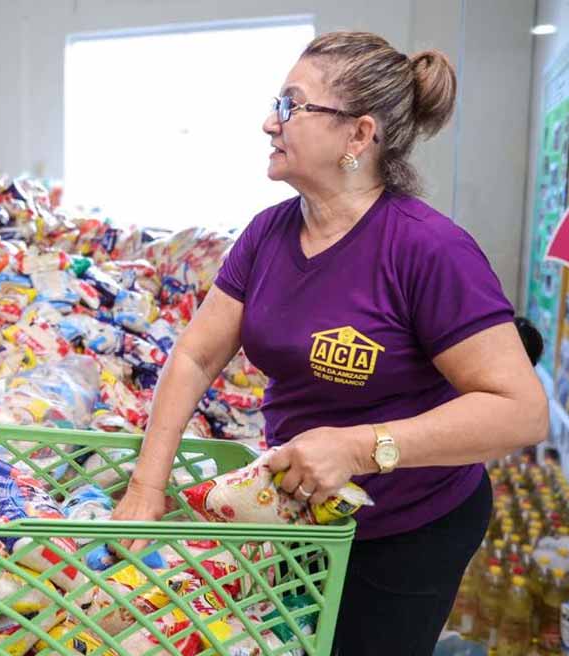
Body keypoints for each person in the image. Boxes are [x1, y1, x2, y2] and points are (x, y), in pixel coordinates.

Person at [112, 32, 548, 655]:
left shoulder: (427, 249)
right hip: (299, 516)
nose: (269, 122)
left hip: (408, 526)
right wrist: (146, 488)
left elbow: (520, 409)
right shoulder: (267, 235)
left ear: (358, 136)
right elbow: (196, 355)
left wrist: (360, 447)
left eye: (292, 106)